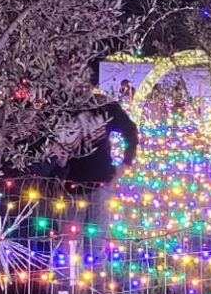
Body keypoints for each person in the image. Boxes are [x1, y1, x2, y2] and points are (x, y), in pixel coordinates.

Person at [27, 95, 139, 233]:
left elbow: (130, 131)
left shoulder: (104, 105)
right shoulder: (58, 107)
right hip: (68, 189)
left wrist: (126, 163)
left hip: (101, 185)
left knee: (97, 239)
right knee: (69, 240)